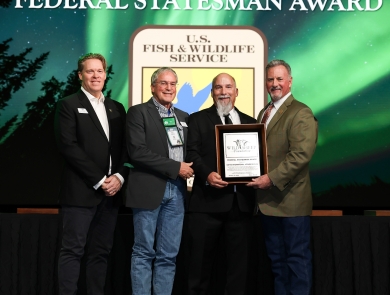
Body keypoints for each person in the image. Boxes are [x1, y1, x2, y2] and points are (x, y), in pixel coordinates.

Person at [54, 53, 129, 295]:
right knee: (72, 251)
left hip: (111, 195)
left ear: (105, 75)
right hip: (81, 193)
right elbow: (68, 147)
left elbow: (124, 148)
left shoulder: (116, 107)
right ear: (80, 75)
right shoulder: (67, 104)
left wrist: (118, 177)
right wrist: (99, 180)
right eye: (90, 71)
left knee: (100, 252)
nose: (95, 76)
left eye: (100, 71)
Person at [247, 59, 317, 295]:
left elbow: (300, 155)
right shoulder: (264, 112)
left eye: (279, 79)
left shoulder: (301, 112)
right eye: (270, 79)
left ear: (290, 81)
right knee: (277, 264)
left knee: (297, 262)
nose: (274, 84)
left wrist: (271, 179)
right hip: (268, 203)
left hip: (291, 202)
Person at [186, 73, 256, 295]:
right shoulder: (197, 119)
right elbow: (191, 153)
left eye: (228, 87)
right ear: (212, 93)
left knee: (238, 270)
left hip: (240, 205)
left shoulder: (251, 122)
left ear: (236, 92)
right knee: (199, 267)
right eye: (218, 87)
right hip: (206, 204)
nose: (223, 92)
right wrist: (207, 175)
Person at [125, 67, 194, 295]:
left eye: (173, 84)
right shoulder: (138, 113)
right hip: (148, 189)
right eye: (163, 83)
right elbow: (137, 152)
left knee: (169, 255)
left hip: (177, 193)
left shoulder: (183, 117)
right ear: (153, 86)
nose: (168, 88)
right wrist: (176, 167)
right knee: (144, 252)